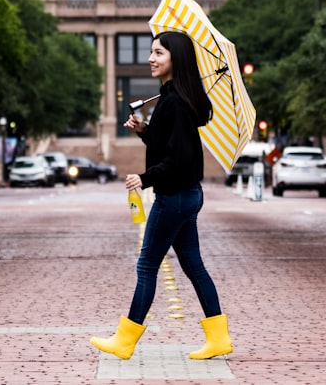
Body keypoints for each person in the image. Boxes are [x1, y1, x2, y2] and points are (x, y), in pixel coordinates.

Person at [90, 31, 233, 361]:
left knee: (146, 266)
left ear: (176, 59)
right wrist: (145, 132)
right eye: (151, 52)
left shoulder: (176, 102)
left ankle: (125, 340)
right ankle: (219, 337)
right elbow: (169, 148)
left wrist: (143, 177)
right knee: (194, 266)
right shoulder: (172, 98)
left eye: (159, 53)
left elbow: (178, 161)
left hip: (175, 197)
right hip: (186, 194)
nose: (151, 58)